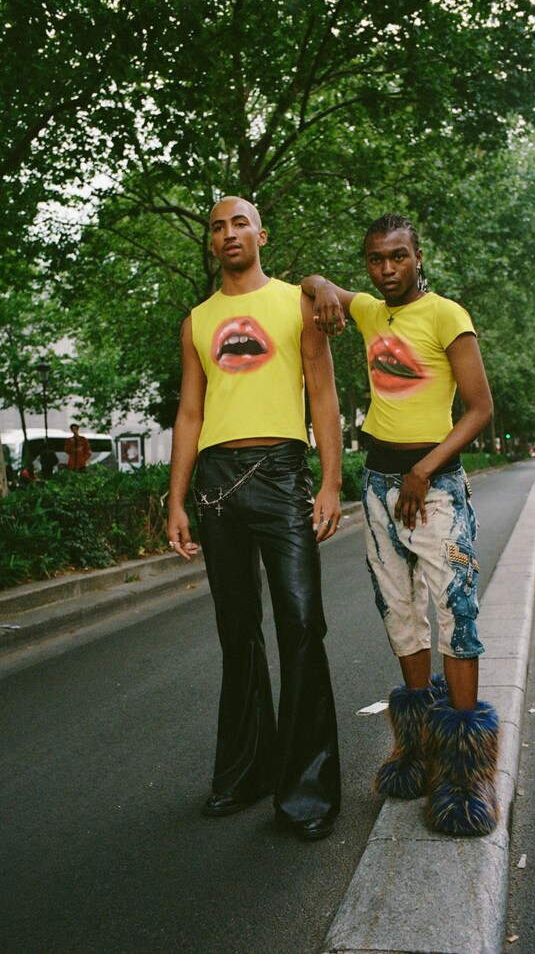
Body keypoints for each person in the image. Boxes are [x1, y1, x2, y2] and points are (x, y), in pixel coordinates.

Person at [301, 213, 499, 837]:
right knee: (399, 613)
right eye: (375, 259)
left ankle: (464, 772)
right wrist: (322, 288)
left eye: (397, 257)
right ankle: (417, 748)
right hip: (378, 486)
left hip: (433, 487)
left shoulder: (446, 315)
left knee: (456, 613)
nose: (386, 269)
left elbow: (480, 409)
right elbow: (313, 284)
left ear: (418, 257)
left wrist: (424, 469)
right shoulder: (368, 311)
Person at [167, 196, 342, 841]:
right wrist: (175, 499)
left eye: (239, 222)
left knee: (301, 623)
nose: (228, 233)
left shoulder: (299, 303)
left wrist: (330, 483)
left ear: (261, 234)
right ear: (211, 243)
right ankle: (246, 773)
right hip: (216, 485)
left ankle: (307, 792)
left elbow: (322, 395)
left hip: (281, 476)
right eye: (217, 227)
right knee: (236, 631)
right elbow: (190, 412)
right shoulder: (196, 322)